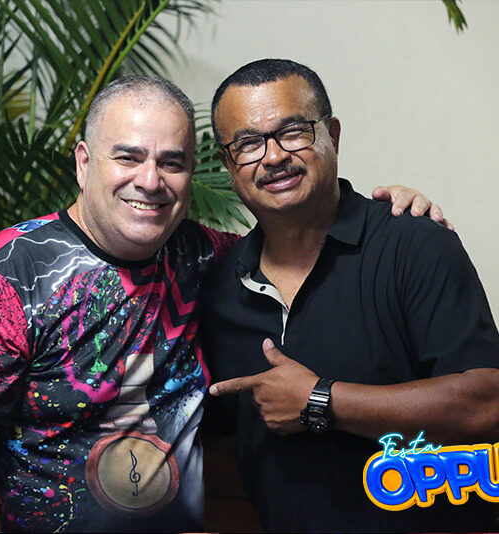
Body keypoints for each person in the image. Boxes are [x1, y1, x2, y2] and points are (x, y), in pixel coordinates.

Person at [0, 73, 439, 533]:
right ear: (84, 162)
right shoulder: (0, 277)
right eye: (128, 157)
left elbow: (300, 247)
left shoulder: (207, 258)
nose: (150, 181)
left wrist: (387, 213)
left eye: (172, 162)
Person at [200, 59, 499, 533]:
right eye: (248, 143)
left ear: (332, 135)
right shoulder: (218, 285)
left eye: (293, 132)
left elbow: (487, 404)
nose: (273, 157)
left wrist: (322, 400)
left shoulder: (415, 244)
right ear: (227, 163)